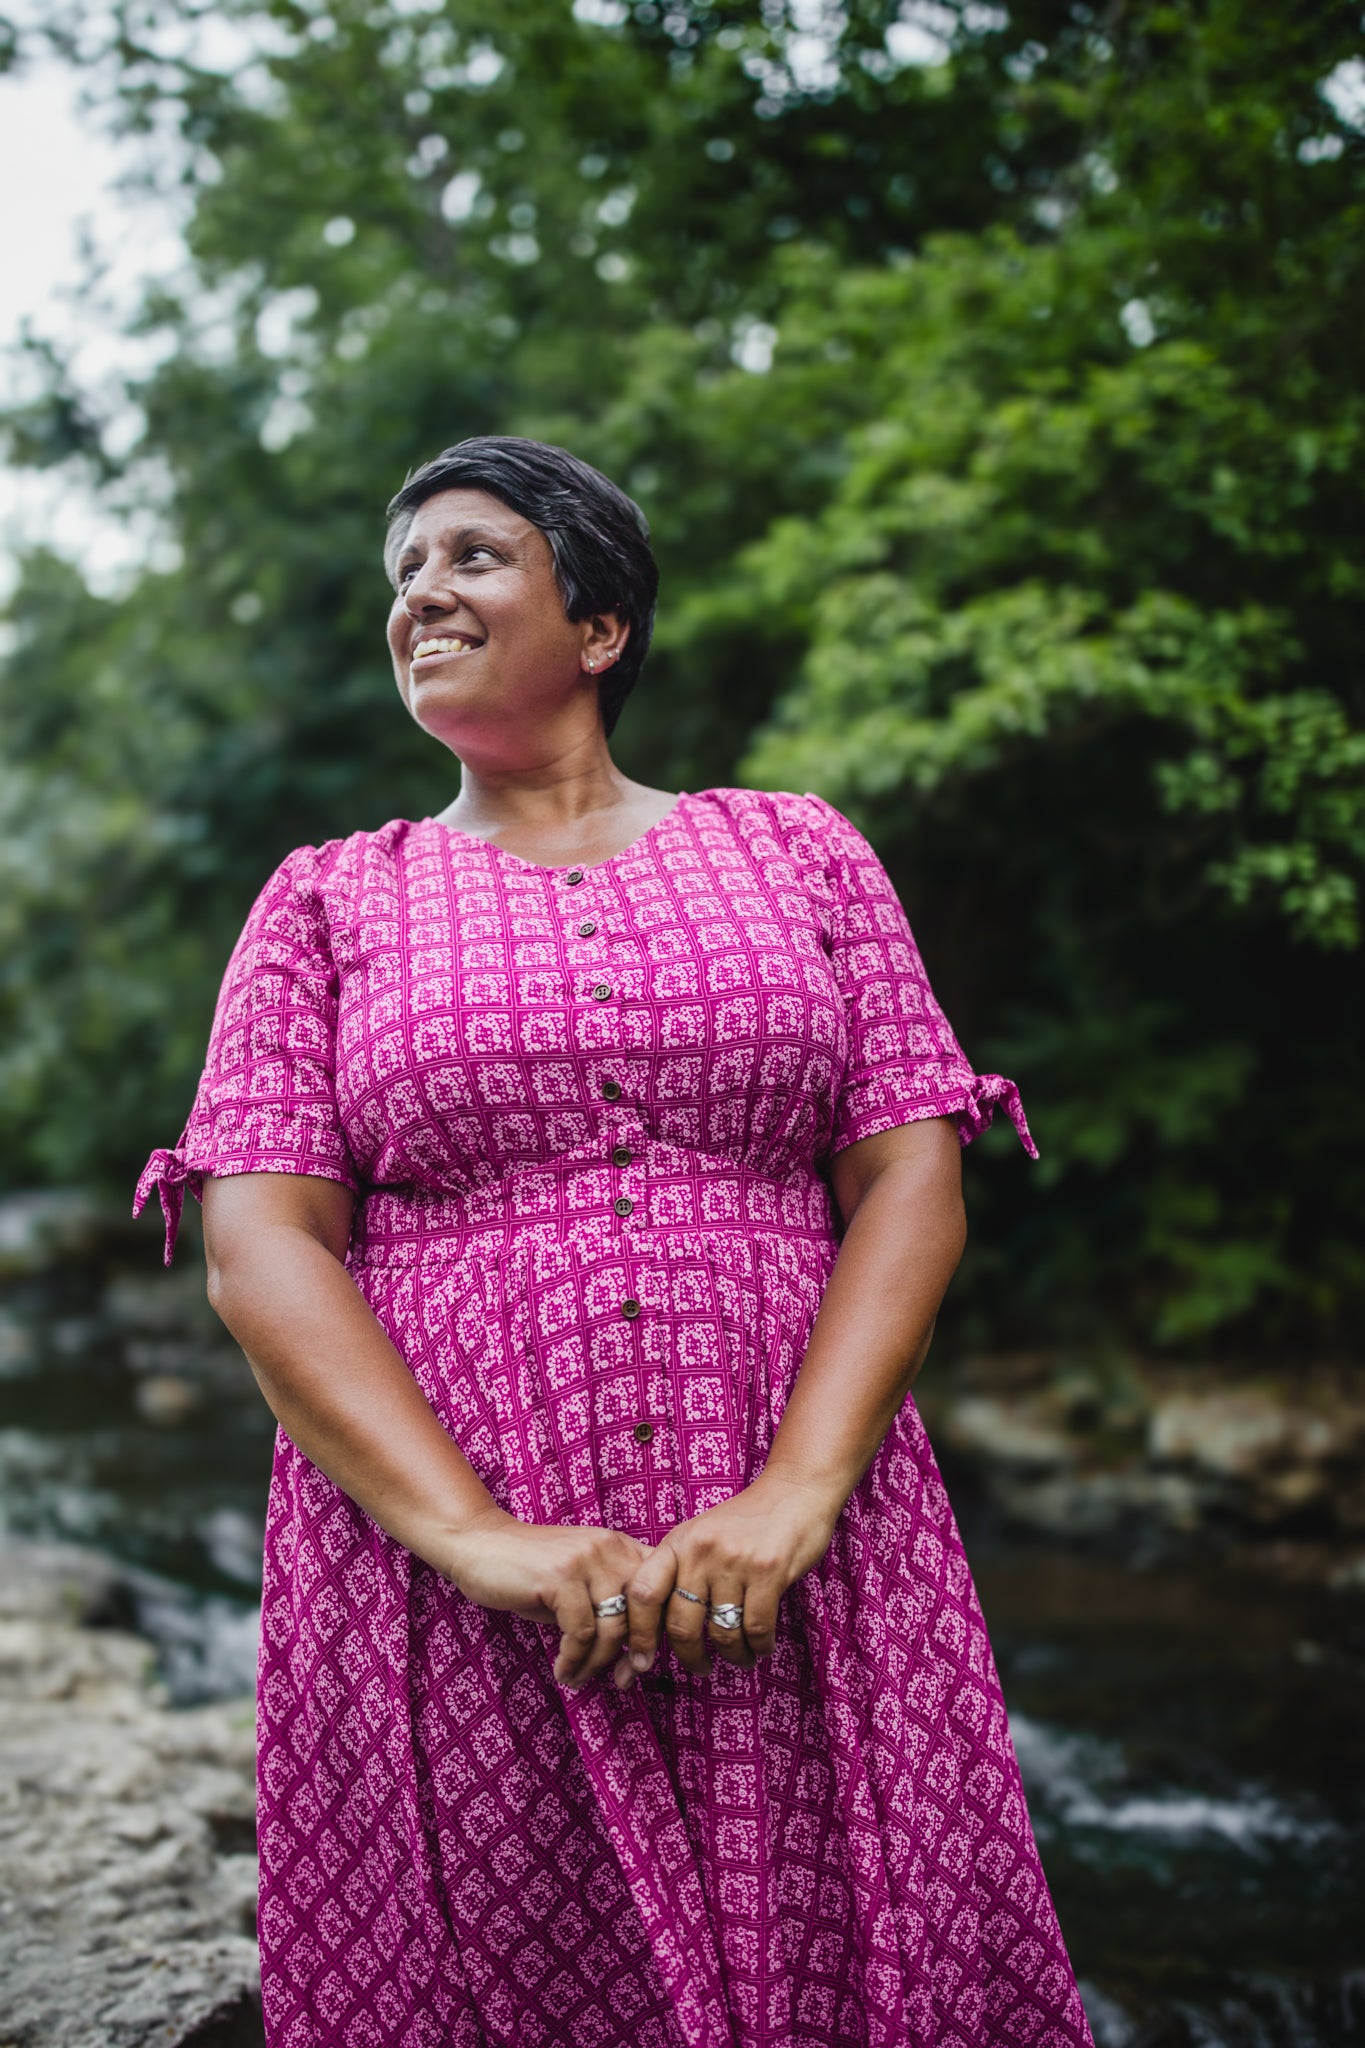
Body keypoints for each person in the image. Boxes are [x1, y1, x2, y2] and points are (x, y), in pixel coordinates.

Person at [135, 434, 1093, 2048]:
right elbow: (263, 1242)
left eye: (470, 556)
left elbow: (909, 1179)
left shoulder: (797, 848)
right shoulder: (324, 901)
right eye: (403, 574)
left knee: (854, 1958)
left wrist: (794, 1494)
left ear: (600, 628)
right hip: (436, 1572)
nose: (420, 594)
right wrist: (475, 1538)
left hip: (813, 1545)